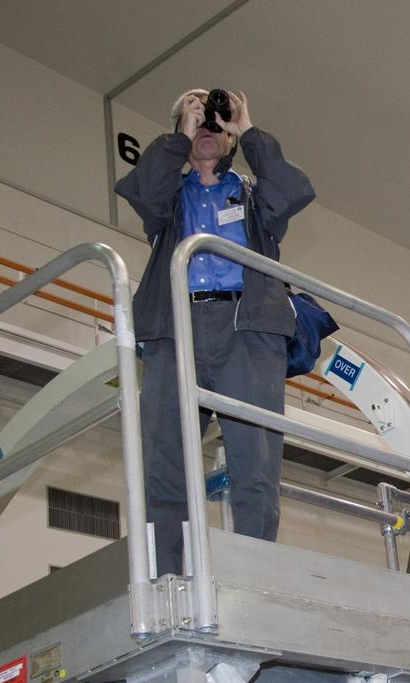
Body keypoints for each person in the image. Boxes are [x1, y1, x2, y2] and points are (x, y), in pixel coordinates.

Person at [115, 89, 315, 576]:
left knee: (255, 463)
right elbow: (145, 194)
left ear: (230, 139)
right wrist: (181, 132)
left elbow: (292, 191)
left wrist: (246, 127)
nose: (208, 128)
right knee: (164, 463)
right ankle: (166, 582)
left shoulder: (252, 193)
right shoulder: (169, 194)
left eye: (215, 123)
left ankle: (253, 579)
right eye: (198, 122)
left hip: (246, 330)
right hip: (175, 329)